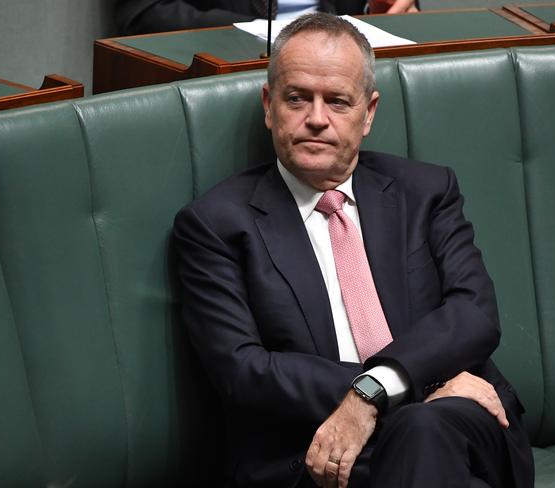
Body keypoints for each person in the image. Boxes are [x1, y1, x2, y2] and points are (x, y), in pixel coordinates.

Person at [173, 12, 533, 488]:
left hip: (459, 427)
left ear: (369, 112)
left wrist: (376, 391)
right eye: (297, 98)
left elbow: (473, 313)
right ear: (268, 105)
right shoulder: (216, 225)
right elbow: (244, 370)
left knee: (425, 430)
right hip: (323, 447)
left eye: (338, 102)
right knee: (422, 438)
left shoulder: (426, 192)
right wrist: (410, 389)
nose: (316, 119)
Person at [115, 0, 417, 35]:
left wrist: (375, 7)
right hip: (236, 61)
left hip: (340, 46)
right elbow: (143, 14)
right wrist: (252, 29)